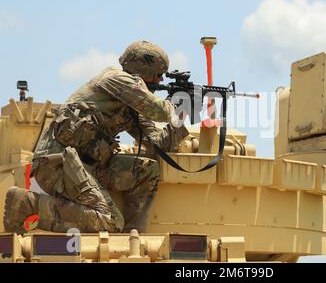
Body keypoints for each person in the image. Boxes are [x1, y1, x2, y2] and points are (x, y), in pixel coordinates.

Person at [3, 40, 189, 233]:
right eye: (158, 75)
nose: (160, 81)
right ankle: (28, 204)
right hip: (57, 164)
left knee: (148, 170)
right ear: (143, 68)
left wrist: (181, 118)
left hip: (88, 166)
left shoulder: (131, 105)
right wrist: (177, 103)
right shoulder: (116, 79)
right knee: (109, 221)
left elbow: (157, 143)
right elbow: (158, 110)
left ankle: (133, 236)